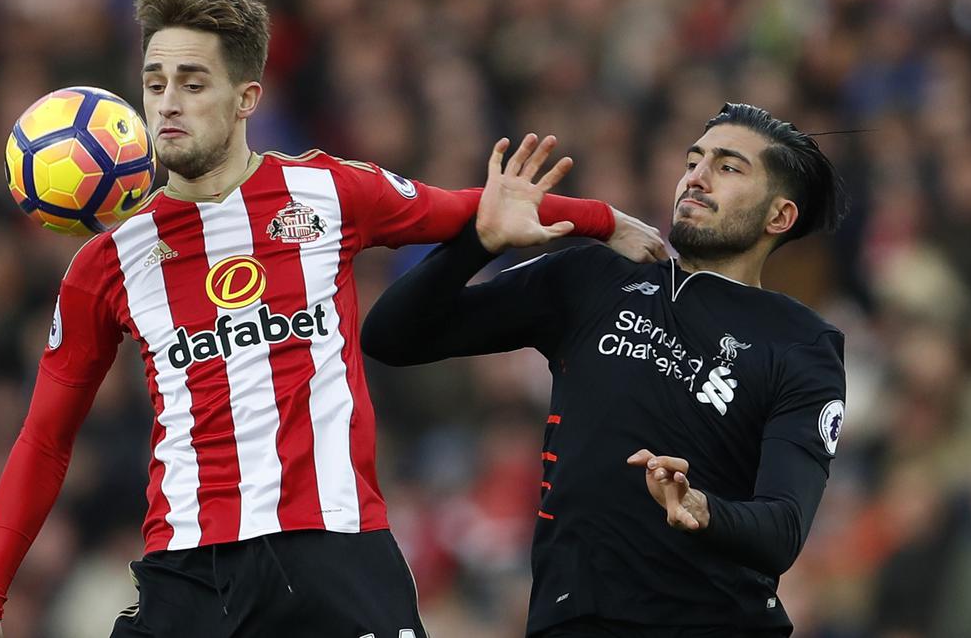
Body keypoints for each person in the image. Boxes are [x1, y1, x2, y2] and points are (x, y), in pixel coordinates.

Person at [0, 0, 664, 638]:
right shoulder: (106, 263)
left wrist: (604, 219)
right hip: (192, 572)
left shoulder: (326, 190)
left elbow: (471, 208)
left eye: (193, 83)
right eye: (155, 82)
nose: (167, 102)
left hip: (337, 552)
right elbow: (44, 438)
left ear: (247, 98)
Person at [361, 104, 850, 637]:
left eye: (729, 167)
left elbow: (783, 529)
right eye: (694, 160)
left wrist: (703, 508)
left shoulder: (801, 342)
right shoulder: (591, 278)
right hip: (570, 617)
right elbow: (391, 337)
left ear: (779, 217)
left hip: (712, 621)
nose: (697, 177)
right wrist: (480, 241)